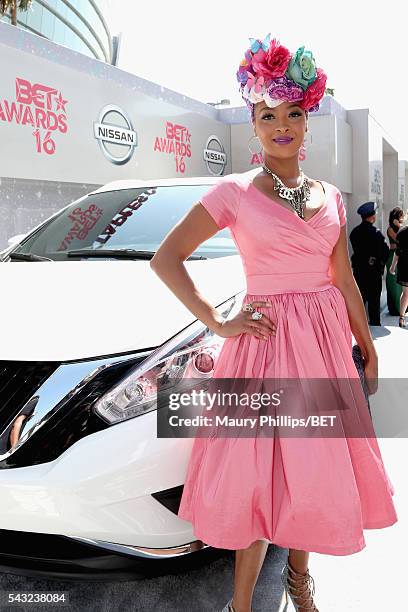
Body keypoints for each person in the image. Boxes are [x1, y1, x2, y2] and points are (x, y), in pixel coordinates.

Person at [151, 34, 397, 612]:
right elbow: (167, 259)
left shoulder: (333, 198)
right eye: (268, 115)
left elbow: (344, 279)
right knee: (259, 478)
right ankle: (241, 605)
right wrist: (218, 320)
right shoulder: (233, 192)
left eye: (292, 113)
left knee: (313, 471)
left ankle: (299, 582)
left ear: (307, 122)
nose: (281, 124)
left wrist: (367, 343)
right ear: (254, 125)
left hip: (324, 347)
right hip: (262, 349)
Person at [349, 202, 389, 326]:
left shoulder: (354, 232)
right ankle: (375, 326)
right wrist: (378, 261)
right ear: (372, 216)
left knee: (359, 302)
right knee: (374, 304)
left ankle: (359, 328)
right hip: (373, 273)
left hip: (359, 273)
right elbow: (385, 252)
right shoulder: (376, 233)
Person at [386, 207, 405, 315]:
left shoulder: (399, 228)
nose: (402, 218)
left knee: (400, 282)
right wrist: (399, 226)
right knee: (393, 283)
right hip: (393, 255)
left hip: (400, 255)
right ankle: (394, 308)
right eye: (400, 216)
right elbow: (400, 239)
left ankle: (402, 307)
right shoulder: (390, 228)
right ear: (396, 217)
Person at [389, 221, 408, 327]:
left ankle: (401, 318)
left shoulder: (402, 233)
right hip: (405, 266)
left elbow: (397, 252)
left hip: (404, 266)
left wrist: (392, 266)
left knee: (406, 293)